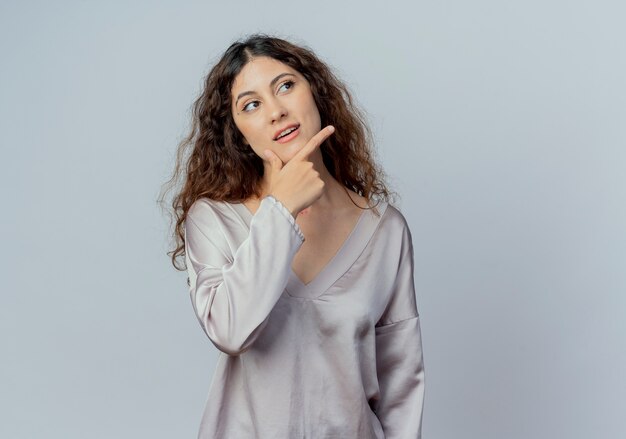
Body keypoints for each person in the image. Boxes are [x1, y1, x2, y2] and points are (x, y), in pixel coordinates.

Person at [160, 33, 425, 438]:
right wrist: (280, 211)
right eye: (251, 104)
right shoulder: (214, 220)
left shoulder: (385, 230)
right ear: (238, 133)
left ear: (314, 91)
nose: (276, 112)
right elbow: (231, 331)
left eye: (285, 85)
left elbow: (401, 380)